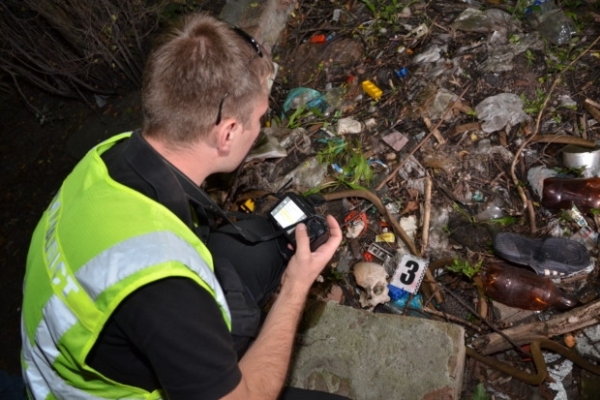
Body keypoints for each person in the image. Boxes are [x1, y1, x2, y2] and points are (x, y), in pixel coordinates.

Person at [20, 13, 346, 400]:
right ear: (227, 133)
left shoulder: (107, 157)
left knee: (262, 242)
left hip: (101, 338)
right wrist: (297, 286)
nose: (261, 128)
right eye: (259, 119)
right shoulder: (164, 288)